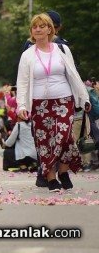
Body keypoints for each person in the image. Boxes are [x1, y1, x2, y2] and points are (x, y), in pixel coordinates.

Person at [16, 13, 90, 191]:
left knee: (64, 137)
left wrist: (84, 97)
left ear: (50, 29)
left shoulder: (62, 50)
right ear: (32, 31)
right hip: (40, 104)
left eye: (42, 26)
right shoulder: (27, 55)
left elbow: (73, 74)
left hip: (64, 100)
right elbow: (22, 82)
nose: (38, 29)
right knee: (45, 141)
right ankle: (51, 178)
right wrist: (22, 105)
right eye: (35, 27)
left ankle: (63, 171)